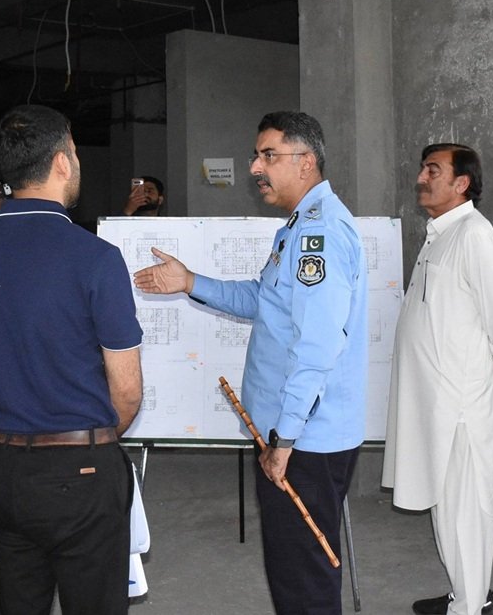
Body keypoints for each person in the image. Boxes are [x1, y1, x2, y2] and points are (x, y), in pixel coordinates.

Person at [134, 111, 367, 615]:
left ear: (306, 162)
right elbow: (265, 301)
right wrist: (190, 282)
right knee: (295, 568)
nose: (255, 167)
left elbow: (317, 348)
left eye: (268, 156)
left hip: (303, 439)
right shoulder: (298, 228)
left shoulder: (318, 237)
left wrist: (285, 439)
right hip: (294, 433)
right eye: (256, 155)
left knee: (303, 577)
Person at [0, 104, 143, 615]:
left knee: (19, 600)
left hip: (0, 468)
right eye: (76, 153)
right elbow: (126, 392)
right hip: (79, 471)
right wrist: (92, 439)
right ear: (62, 161)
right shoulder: (95, 257)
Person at [382, 142, 493, 615]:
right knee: (446, 505)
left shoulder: (472, 233)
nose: (422, 178)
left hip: (459, 403)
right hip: (434, 402)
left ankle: (470, 608)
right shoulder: (439, 234)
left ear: (461, 183)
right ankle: (465, 596)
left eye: (433, 170)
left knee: (466, 508)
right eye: (424, 168)